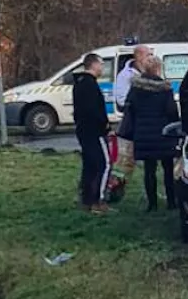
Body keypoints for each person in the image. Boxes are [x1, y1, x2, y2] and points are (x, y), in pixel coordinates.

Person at [120, 54, 180, 211]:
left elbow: (130, 109)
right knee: (168, 169)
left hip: (143, 133)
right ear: (159, 69)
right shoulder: (165, 89)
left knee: (149, 170)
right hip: (164, 133)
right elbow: (171, 111)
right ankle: (171, 202)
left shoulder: (135, 88)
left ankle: (152, 204)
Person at [73, 53, 112, 214]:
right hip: (95, 131)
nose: (102, 68)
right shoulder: (90, 85)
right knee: (104, 164)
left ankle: (86, 199)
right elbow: (94, 109)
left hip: (83, 130)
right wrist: (105, 125)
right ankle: (98, 200)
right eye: (101, 64)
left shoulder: (79, 83)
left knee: (89, 165)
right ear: (94, 64)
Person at [113, 45, 149, 178]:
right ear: (138, 56)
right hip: (133, 121)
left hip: (145, 121)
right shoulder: (125, 76)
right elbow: (121, 99)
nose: (150, 58)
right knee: (127, 159)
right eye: (148, 55)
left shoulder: (147, 72)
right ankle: (119, 182)